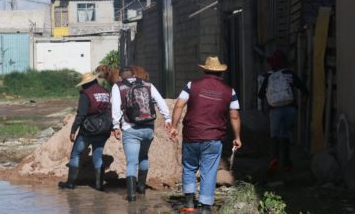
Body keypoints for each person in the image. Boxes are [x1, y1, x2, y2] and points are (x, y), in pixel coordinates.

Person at [169, 56, 242, 214]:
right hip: (214, 138)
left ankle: (189, 204)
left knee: (189, 167)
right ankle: (206, 208)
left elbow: (179, 105)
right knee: (209, 171)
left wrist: (174, 127)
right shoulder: (230, 91)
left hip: (191, 135)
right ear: (221, 73)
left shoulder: (191, 85)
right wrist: (237, 137)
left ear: (204, 70)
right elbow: (234, 116)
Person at [110, 66, 171, 202]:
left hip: (131, 128)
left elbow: (115, 108)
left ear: (120, 77)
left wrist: (115, 126)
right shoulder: (147, 84)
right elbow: (160, 101)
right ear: (133, 74)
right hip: (148, 128)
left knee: (132, 163)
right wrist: (167, 118)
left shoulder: (118, 86)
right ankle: (141, 189)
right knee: (143, 156)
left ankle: (131, 197)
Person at [58, 73, 111, 191]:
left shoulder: (86, 94)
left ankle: (70, 184)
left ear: (86, 83)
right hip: (103, 129)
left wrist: (73, 130)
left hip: (88, 130)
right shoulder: (106, 92)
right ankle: (99, 186)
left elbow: (81, 114)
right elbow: (110, 110)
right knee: (98, 156)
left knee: (76, 154)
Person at [258, 49, 308, 171]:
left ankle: (274, 158)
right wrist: (302, 100)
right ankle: (287, 163)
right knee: (285, 134)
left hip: (275, 110)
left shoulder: (269, 76)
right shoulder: (290, 74)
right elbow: (304, 89)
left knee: (274, 134)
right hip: (290, 108)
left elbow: (260, 94)